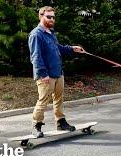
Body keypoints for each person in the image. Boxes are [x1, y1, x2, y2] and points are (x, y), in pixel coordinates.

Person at [28, 6, 85, 137]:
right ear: (41, 16)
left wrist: (72, 49)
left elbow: (58, 48)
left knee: (58, 99)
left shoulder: (50, 33)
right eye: (49, 17)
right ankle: (36, 126)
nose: (52, 19)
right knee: (43, 101)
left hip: (58, 73)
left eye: (53, 17)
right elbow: (36, 57)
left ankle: (60, 122)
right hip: (46, 76)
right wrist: (43, 74)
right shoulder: (36, 34)